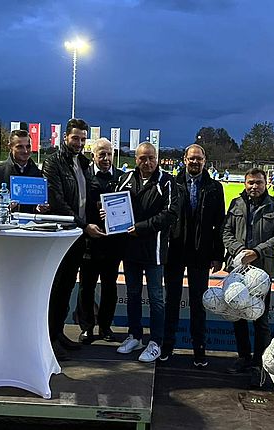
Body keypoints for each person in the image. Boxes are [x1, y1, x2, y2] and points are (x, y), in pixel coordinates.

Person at [42, 118, 105, 360]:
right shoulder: (53, 163)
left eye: (82, 139)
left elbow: (88, 198)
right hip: (61, 234)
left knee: (67, 286)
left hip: (78, 235)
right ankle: (48, 338)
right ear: (65, 138)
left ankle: (57, 333)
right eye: (75, 138)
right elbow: (57, 201)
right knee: (56, 287)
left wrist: (100, 212)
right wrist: (84, 225)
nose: (79, 143)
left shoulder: (84, 163)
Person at [113, 142, 180, 363]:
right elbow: (113, 204)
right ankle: (135, 335)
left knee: (156, 298)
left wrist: (141, 227)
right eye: (143, 158)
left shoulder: (167, 182)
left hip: (155, 251)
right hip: (130, 249)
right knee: (132, 294)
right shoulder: (125, 179)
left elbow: (170, 214)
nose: (147, 162)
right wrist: (106, 212)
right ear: (136, 158)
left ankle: (156, 342)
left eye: (151, 158)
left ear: (157, 158)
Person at [221, 168, 274, 384]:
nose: (254, 186)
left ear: (266, 183)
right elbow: (226, 232)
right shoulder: (235, 203)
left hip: (262, 271)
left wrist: (256, 252)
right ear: (245, 183)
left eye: (258, 182)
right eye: (250, 182)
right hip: (238, 269)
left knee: (261, 318)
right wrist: (240, 251)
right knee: (238, 315)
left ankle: (259, 362)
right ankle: (243, 357)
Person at [162, 144, 225, 366]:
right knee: (171, 301)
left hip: (201, 252)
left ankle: (199, 349)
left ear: (205, 160)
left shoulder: (215, 187)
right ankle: (166, 346)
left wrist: (218, 255)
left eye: (199, 159)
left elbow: (220, 224)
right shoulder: (172, 184)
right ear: (184, 160)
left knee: (199, 304)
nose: (195, 162)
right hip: (175, 250)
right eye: (191, 159)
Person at [78, 138, 123, 345]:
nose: (106, 158)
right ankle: (87, 327)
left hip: (112, 242)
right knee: (86, 286)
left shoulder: (122, 178)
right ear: (93, 155)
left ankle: (105, 326)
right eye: (101, 154)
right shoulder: (84, 177)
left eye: (109, 154)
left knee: (109, 287)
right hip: (88, 240)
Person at [0, 129, 43, 216]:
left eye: (28, 146)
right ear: (10, 147)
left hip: (34, 227)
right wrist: (3, 204)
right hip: (5, 227)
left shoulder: (40, 174)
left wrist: (42, 208)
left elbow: (43, 206)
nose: (25, 151)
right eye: (20, 147)